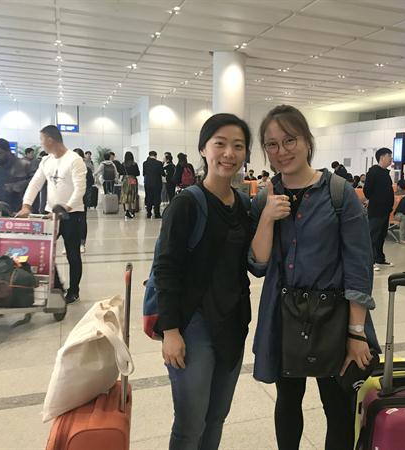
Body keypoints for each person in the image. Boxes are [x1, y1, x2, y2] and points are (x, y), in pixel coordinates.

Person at [250, 105, 377, 450]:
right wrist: (267, 217)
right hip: (283, 313)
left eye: (290, 140)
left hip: (333, 315)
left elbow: (359, 266)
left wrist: (356, 332)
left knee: (337, 405)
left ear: (307, 140)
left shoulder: (339, 193)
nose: (282, 151)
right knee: (288, 401)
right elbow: (259, 264)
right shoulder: (265, 196)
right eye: (272, 144)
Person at [155, 113, 253, 450]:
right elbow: (165, 269)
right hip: (193, 325)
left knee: (216, 417)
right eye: (220, 144)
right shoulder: (186, 204)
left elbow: (254, 262)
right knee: (190, 423)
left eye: (238, 146)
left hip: (233, 323)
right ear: (203, 149)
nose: (229, 153)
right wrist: (170, 332)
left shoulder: (243, 204)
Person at [17, 125, 87, 304]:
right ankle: (57, 287)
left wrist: (66, 208)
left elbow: (80, 189)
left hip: (72, 215)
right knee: (44, 252)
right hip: (50, 214)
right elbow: (35, 183)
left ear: (50, 140)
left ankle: (74, 291)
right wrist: (26, 205)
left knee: (72, 254)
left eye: (42, 140)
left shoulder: (74, 159)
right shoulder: (46, 161)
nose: (41, 144)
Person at [363, 147, 395, 268]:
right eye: (389, 156)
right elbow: (367, 190)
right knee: (373, 236)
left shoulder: (385, 173)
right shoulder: (373, 172)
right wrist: (376, 199)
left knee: (381, 236)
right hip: (376, 210)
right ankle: (369, 261)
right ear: (382, 157)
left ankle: (379, 259)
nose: (391, 159)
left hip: (385, 210)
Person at [0, 138, 31, 215]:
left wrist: (14, 187)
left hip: (18, 209)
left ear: (8, 151)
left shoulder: (24, 165)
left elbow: (34, 184)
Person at [73, 148, 93, 253]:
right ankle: (70, 243)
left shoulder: (87, 170)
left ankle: (82, 243)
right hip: (70, 201)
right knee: (70, 223)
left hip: (82, 199)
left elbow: (90, 183)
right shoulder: (68, 169)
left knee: (82, 221)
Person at [143, 150, 164, 218]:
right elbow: (162, 173)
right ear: (155, 156)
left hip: (148, 183)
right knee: (157, 198)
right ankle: (157, 213)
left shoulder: (145, 163)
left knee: (148, 197)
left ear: (149, 155)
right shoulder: (159, 163)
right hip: (157, 183)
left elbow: (144, 173)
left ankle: (149, 213)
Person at [121, 151, 140, 219]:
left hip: (125, 180)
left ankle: (127, 211)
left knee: (125, 194)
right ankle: (133, 211)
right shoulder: (134, 164)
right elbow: (138, 173)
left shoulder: (123, 164)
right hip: (132, 179)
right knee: (133, 194)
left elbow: (121, 172)